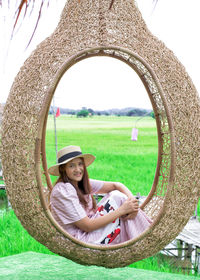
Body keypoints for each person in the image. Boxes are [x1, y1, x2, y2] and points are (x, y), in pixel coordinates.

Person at [48, 145, 152, 245]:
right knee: (118, 197)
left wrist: (133, 205)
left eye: (80, 164)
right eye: (71, 166)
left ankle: (146, 236)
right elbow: (87, 226)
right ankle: (147, 236)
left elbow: (116, 185)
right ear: (63, 169)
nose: (78, 169)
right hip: (82, 241)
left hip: (91, 232)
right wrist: (122, 210)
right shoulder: (63, 190)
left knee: (118, 196)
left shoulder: (79, 183)